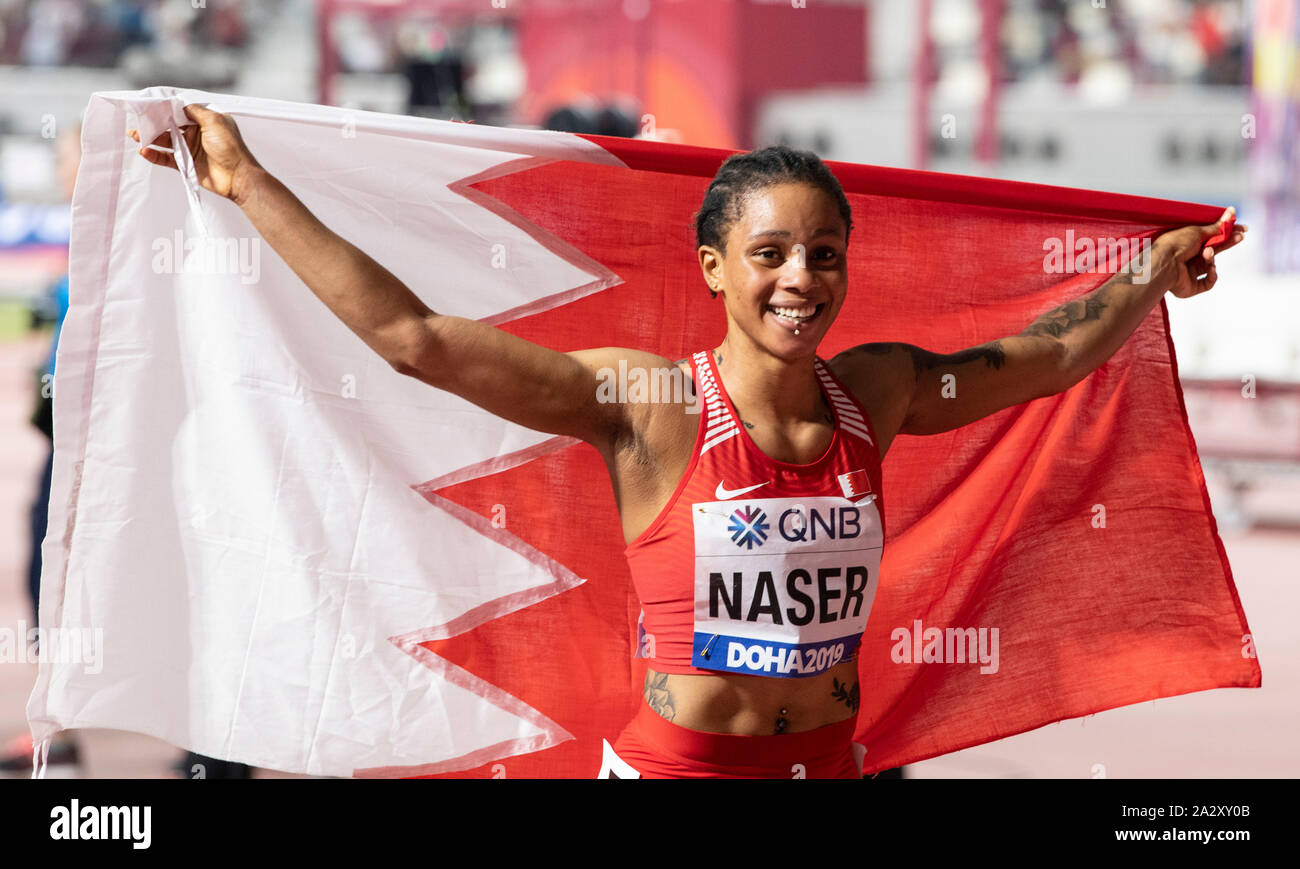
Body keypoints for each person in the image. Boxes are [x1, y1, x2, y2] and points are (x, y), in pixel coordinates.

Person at [130, 105, 1245, 779]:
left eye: (823, 254)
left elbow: (1045, 357)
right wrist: (245, 182)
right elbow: (415, 338)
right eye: (769, 254)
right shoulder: (647, 406)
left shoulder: (880, 390)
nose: (799, 280)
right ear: (714, 266)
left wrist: (1150, 269)